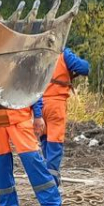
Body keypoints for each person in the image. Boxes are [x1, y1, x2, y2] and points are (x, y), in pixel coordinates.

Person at [39, 47, 90, 187]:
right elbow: (84, 68)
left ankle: (47, 180)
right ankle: (52, 184)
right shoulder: (63, 54)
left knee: (44, 142)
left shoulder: (37, 53)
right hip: (55, 104)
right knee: (54, 144)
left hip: (38, 105)